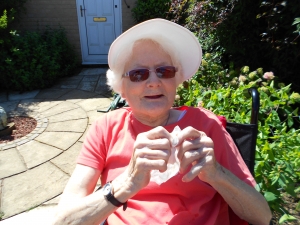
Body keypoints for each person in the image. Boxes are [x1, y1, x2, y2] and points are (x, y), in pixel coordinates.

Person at [53, 18, 272, 225]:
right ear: (122, 87)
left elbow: (262, 216)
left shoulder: (205, 125)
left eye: (164, 71)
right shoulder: (106, 128)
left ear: (176, 80)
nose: (154, 82)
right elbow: (64, 220)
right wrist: (126, 183)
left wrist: (217, 174)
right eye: (138, 74)